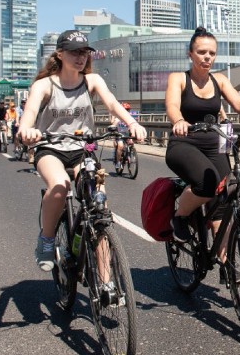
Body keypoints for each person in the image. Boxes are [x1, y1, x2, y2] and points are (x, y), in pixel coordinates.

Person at [18, 30, 147, 271]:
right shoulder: (44, 85)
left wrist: (132, 123)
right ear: (60, 53)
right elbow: (29, 114)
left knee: (100, 208)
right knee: (60, 186)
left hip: (82, 150)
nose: (81, 57)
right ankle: (46, 240)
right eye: (74, 52)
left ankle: (107, 280)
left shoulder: (92, 81)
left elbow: (112, 103)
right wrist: (27, 130)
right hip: (51, 149)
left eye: (85, 52)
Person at [166, 26, 240, 263]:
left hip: (215, 144)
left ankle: (226, 262)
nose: (207, 57)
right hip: (184, 143)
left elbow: (238, 103)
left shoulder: (220, 80)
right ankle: (180, 217)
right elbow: (173, 105)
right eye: (202, 52)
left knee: (229, 195)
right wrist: (180, 121)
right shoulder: (179, 78)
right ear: (190, 54)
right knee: (207, 184)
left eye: (212, 53)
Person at [110, 102, 134, 169]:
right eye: (125, 110)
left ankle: (129, 155)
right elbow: (113, 126)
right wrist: (113, 138)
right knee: (120, 146)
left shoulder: (131, 118)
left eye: (128, 110)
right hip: (119, 135)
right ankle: (118, 162)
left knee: (131, 144)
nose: (126, 111)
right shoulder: (118, 118)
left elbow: (132, 127)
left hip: (127, 135)